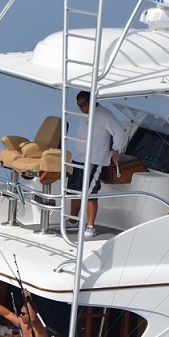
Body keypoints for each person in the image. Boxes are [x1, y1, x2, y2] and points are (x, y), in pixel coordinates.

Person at [68, 90, 128, 239]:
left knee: (90, 193)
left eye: (83, 104)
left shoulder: (103, 114)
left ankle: (90, 227)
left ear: (91, 101)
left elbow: (119, 131)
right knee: (74, 191)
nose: (80, 108)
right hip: (79, 159)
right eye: (78, 105)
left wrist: (116, 150)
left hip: (94, 161)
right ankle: (73, 221)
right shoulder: (85, 114)